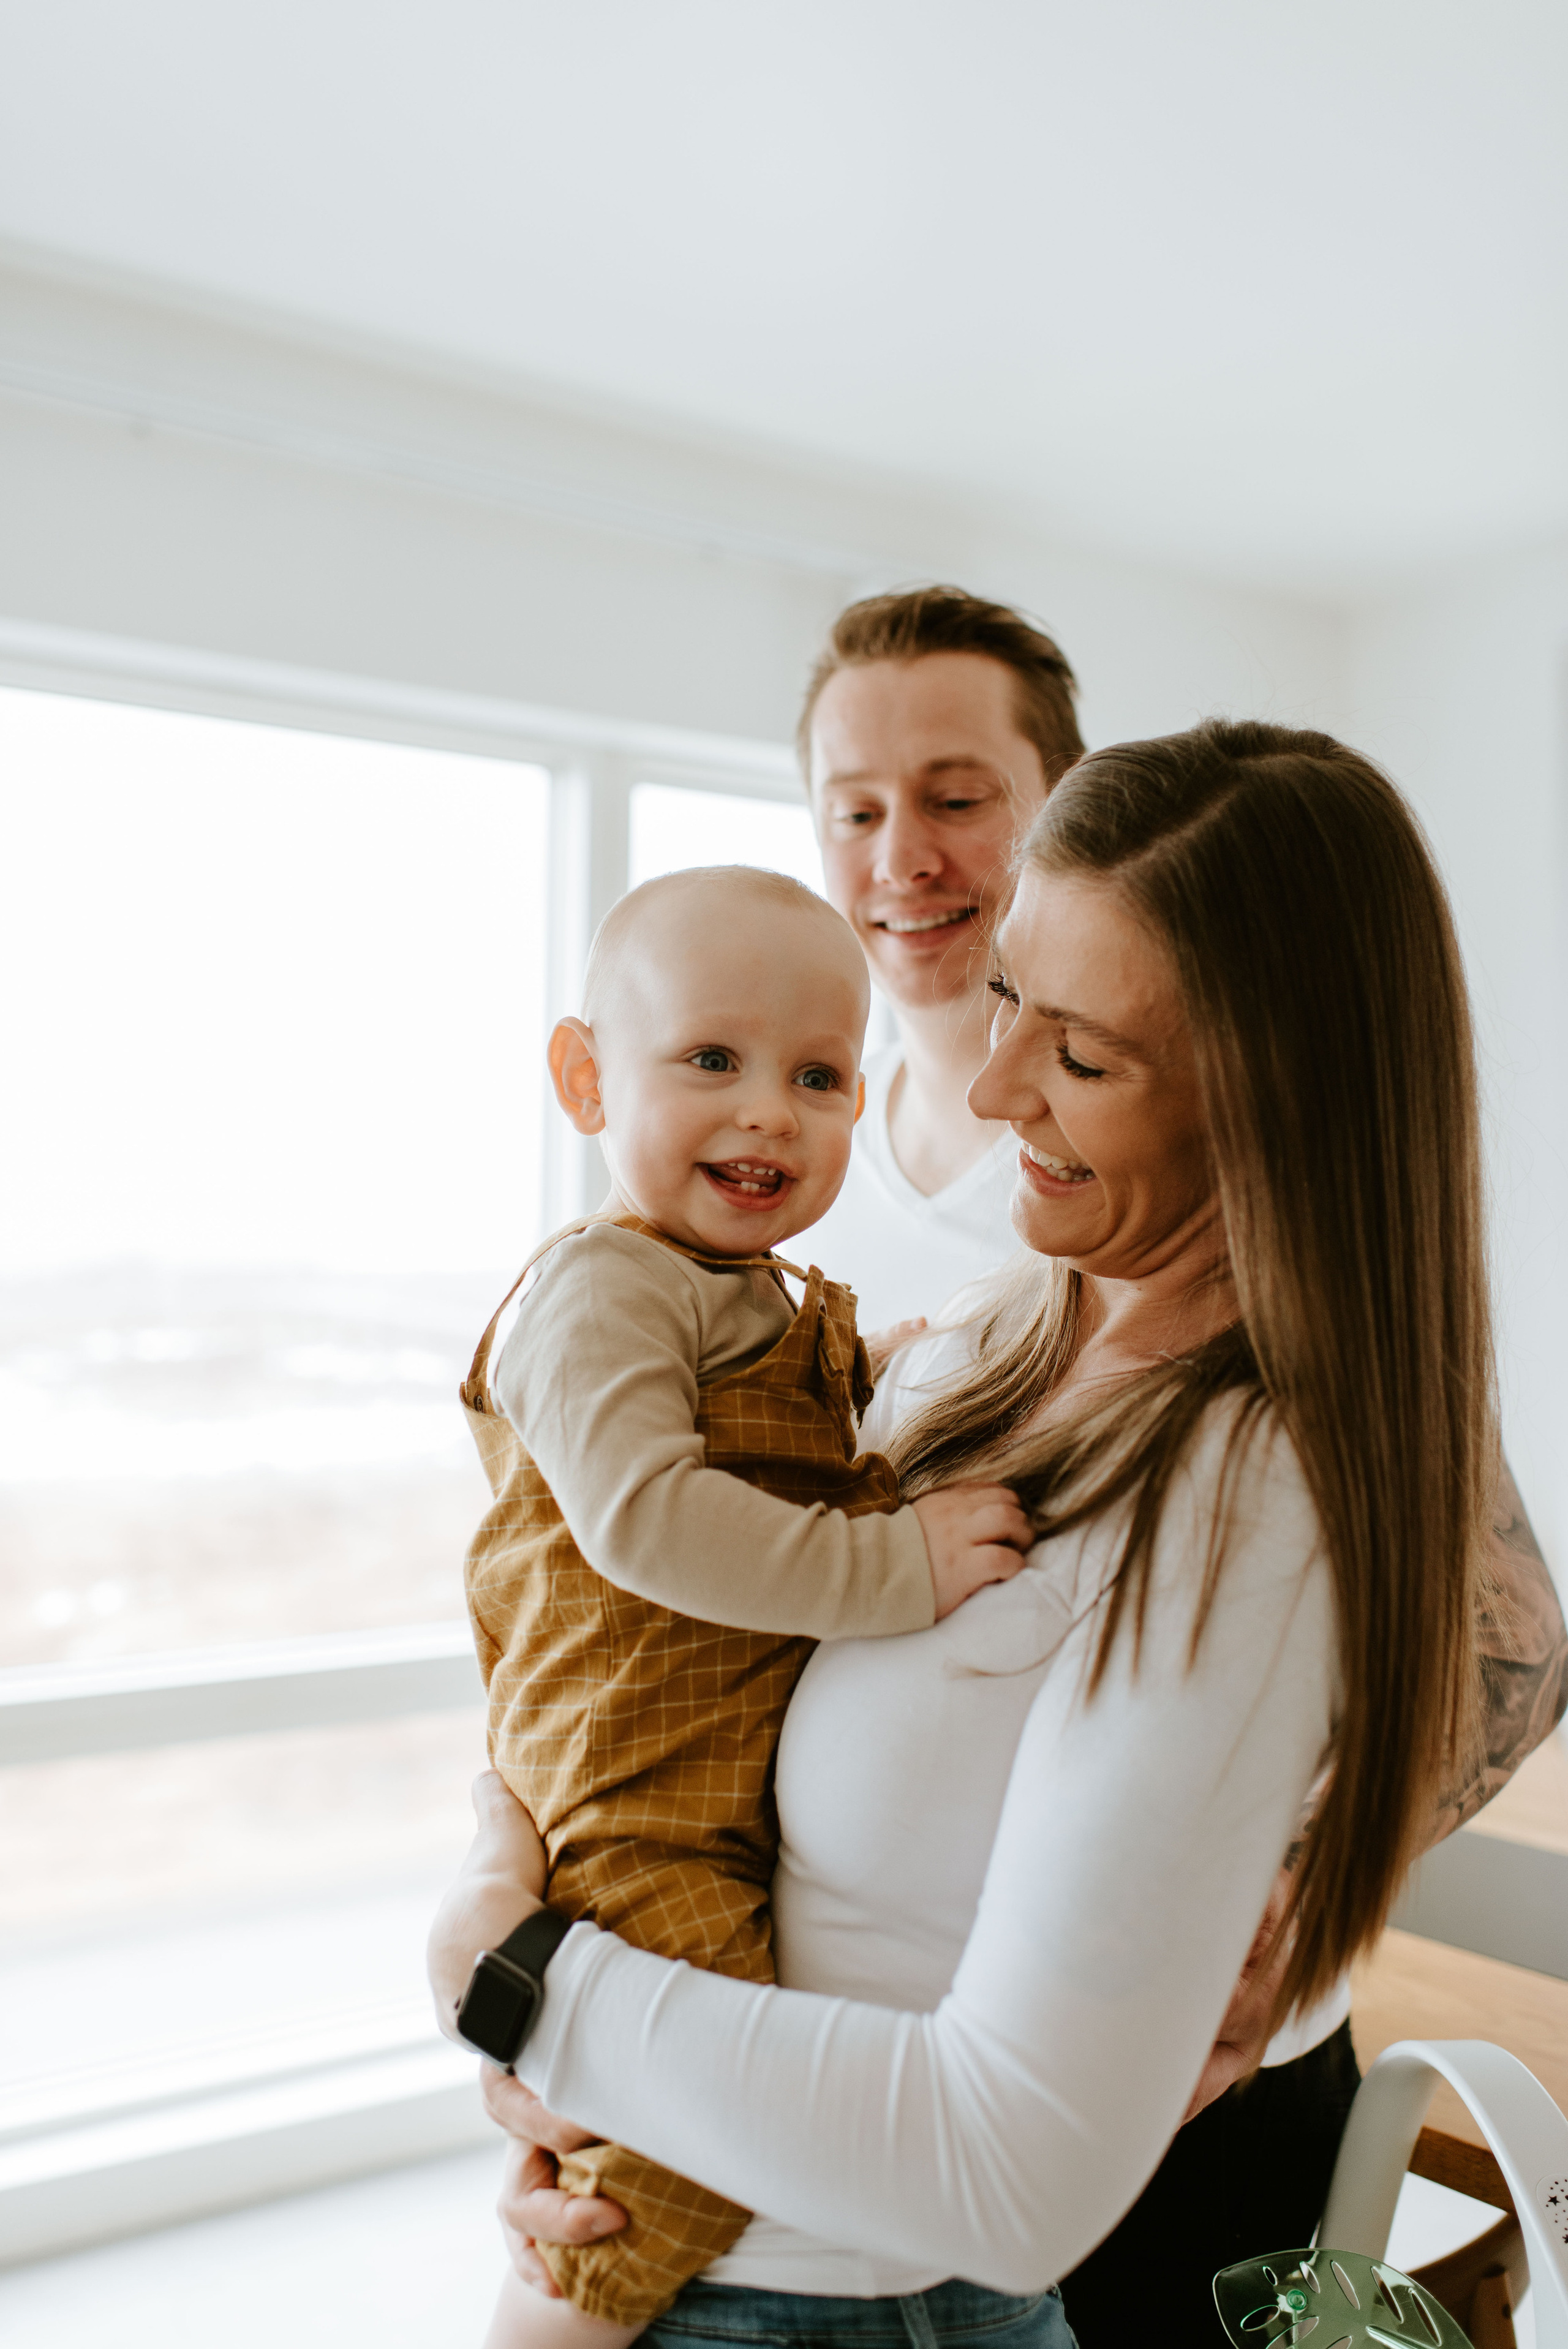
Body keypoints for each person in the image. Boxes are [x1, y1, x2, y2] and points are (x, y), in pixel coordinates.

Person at [432, 720, 1559, 2349]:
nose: (985, 1082)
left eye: (1082, 1055)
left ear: (1279, 1110)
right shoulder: (967, 1348)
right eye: (1009, 994)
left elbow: (1012, 2174)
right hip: (703, 2230)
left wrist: (513, 1974)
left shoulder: (1247, 1495)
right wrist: (578, 2059)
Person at [794, 591, 1568, 2340]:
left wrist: (1277, 1877)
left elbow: (1510, 1630)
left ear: (1058, 800)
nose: (901, 854)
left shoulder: (1251, 1308)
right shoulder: (802, 1137)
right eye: (853, 805)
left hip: (1134, 2121)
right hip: (844, 2107)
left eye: (957, 794)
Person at [458, 864, 1032, 2349]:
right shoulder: (605, 1290)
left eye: (817, 1074)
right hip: (637, 1794)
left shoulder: (768, 1296)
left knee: (703, 2100)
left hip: (724, 1796)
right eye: (710, 1059)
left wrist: (900, 1371)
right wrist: (889, 1569)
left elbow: (805, 1424)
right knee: (703, 2136)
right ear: (586, 1079)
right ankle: (549, 2326)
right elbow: (648, 1516)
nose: (768, 1108)